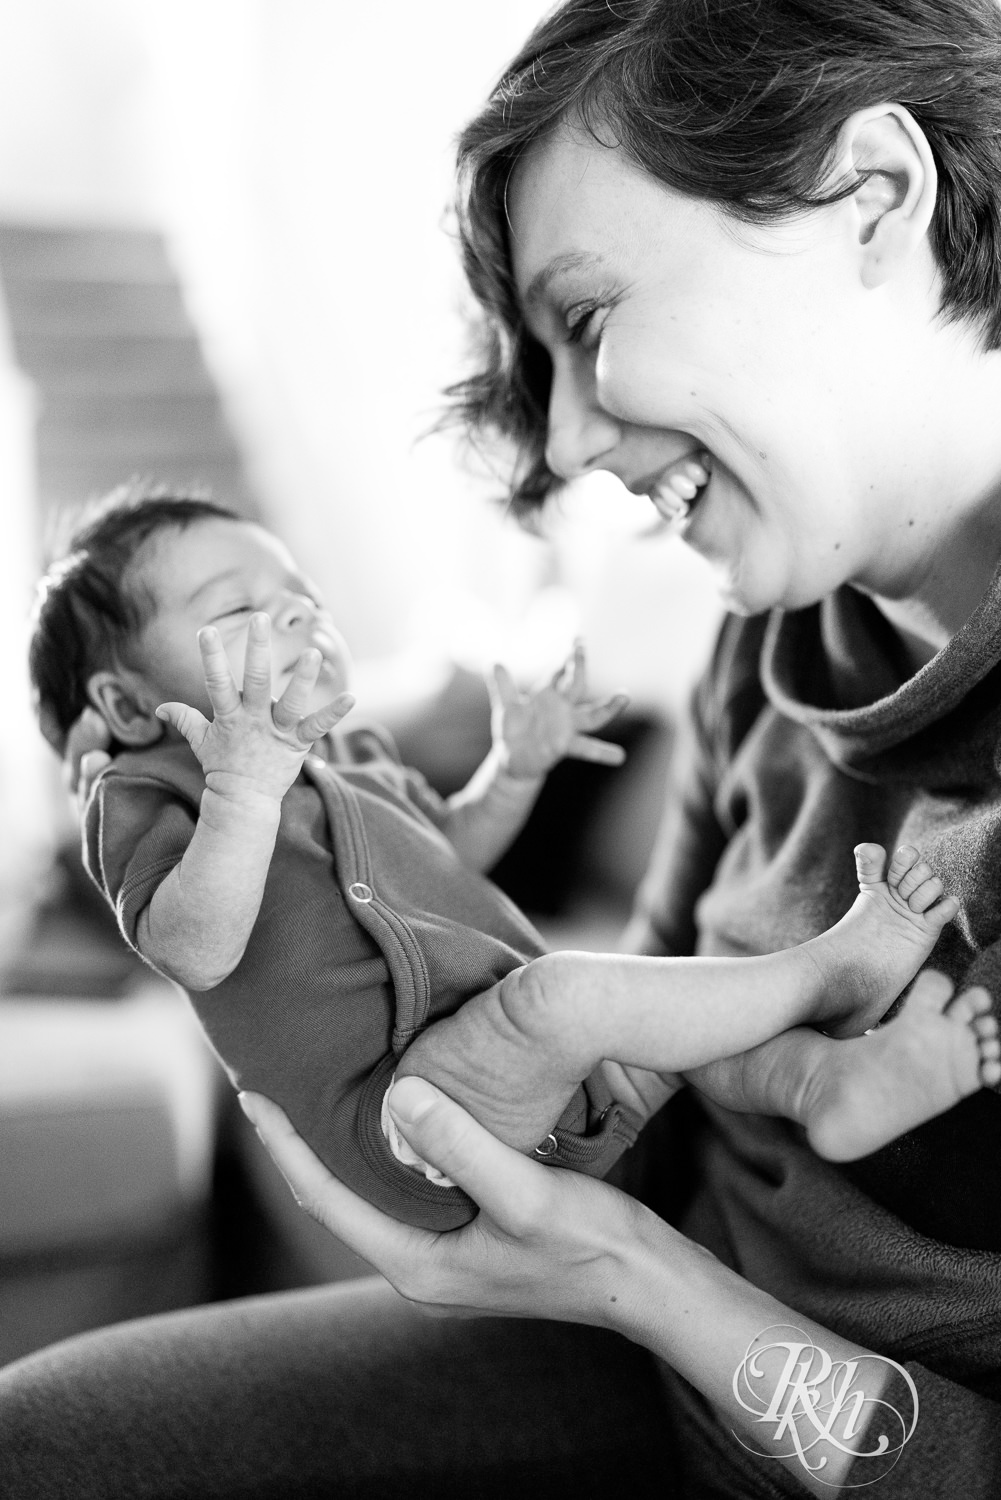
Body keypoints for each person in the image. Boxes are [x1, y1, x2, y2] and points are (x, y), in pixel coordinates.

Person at [3, 0, 1001, 1494]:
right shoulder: (764, 650)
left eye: (589, 323)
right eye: (546, 366)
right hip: (621, 1347)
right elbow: (655, 1052)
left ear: (872, 195)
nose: (576, 445)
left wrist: (629, 1277)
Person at [29, 493, 993, 1237]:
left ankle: (820, 1089)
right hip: (408, 1129)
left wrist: (512, 770)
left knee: (663, 1019)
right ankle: (831, 967)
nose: (293, 621)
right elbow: (192, 949)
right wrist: (242, 792)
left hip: (515, 1091)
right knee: (560, 995)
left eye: (301, 601)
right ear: (121, 707)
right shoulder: (149, 794)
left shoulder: (347, 761)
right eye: (242, 607)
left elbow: (449, 848)